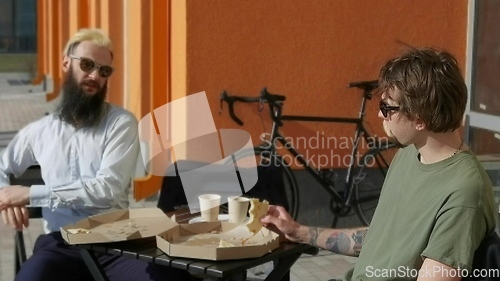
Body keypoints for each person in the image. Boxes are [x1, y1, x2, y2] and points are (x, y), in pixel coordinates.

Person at [261, 48, 497, 281]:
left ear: (419, 118)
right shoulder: (408, 155)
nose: (381, 116)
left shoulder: (464, 193)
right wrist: (298, 232)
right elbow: (380, 240)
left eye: (387, 108)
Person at [0, 28, 195, 281]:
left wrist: (30, 193)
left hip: (116, 243)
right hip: (60, 244)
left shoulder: (121, 124)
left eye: (104, 71)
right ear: (66, 62)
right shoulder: (40, 131)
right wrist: (4, 197)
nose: (95, 76)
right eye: (87, 65)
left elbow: (107, 190)